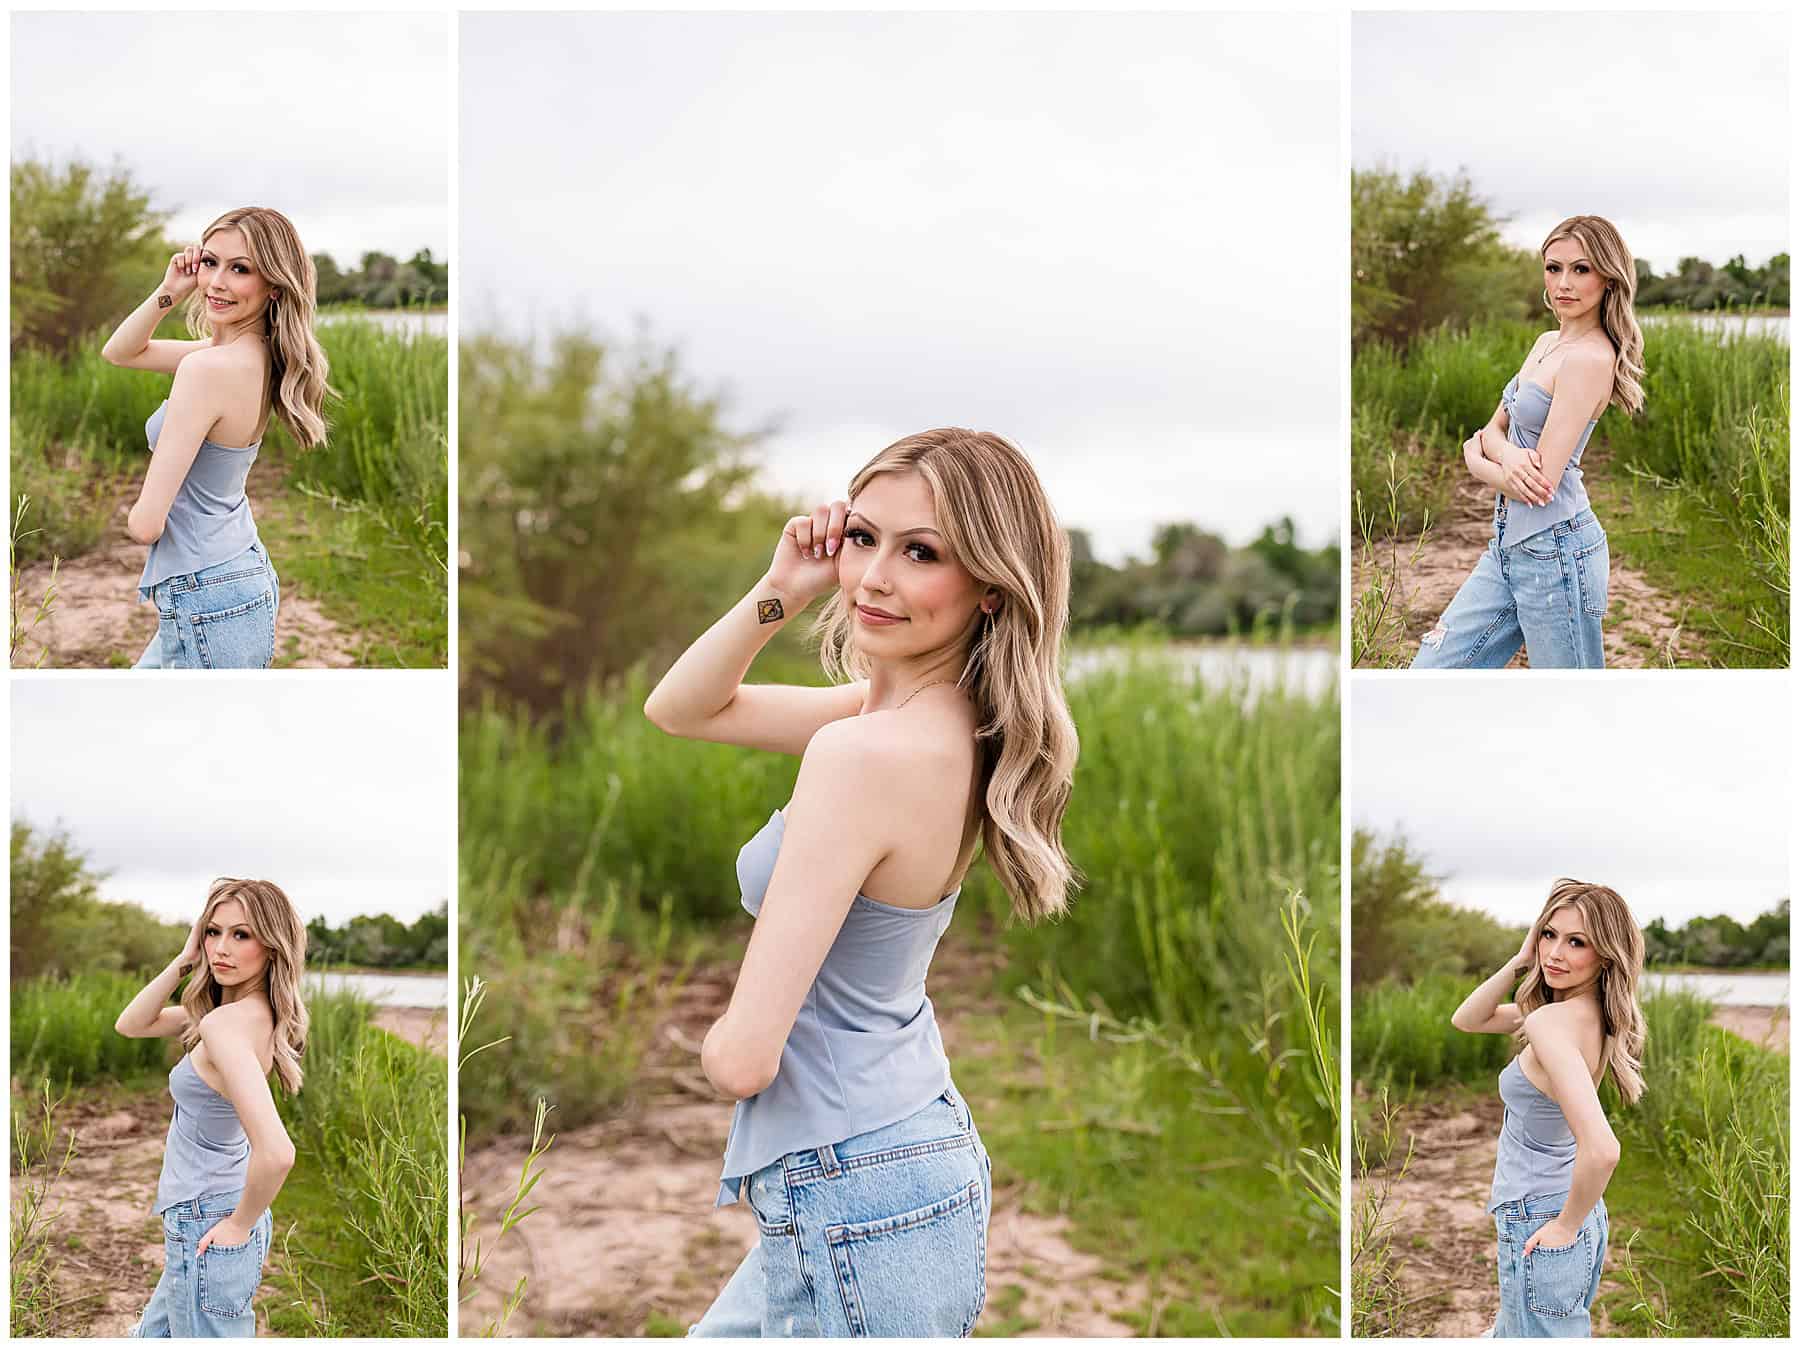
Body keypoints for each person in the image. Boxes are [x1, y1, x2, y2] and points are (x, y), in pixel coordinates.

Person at [645, 428, 1080, 1337]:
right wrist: (782, 590)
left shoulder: (864, 751)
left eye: (921, 552)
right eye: (862, 537)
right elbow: (680, 709)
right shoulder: (925, 717)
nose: (873, 577)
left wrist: (717, 1035)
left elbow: (742, 1060)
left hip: (852, 1178)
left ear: (992, 588)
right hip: (897, 1146)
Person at [101, 206, 334, 669]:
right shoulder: (252, 354)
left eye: (240, 269)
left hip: (207, 592)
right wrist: (169, 291)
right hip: (235, 573)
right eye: (210, 262)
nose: (216, 283)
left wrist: (138, 512)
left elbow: (146, 524)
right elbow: (120, 352)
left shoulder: (207, 369)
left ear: (273, 285)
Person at [1413, 215, 1647, 669]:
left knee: (1567, 705)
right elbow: (1492, 429)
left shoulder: (1589, 358)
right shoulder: (1545, 342)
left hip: (1556, 551)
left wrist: (1477, 460)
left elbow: (1537, 484)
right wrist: (1502, 453)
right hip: (1504, 546)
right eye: (1553, 267)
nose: (1564, 283)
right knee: (1431, 669)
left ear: (1609, 276)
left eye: (1581, 269)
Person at [1450, 880, 1648, 1337]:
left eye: (1576, 942)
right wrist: (1521, 962)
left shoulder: (1549, 1022)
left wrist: (1564, 1226)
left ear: (1605, 955)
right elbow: (1468, 1019)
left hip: (1543, 1217)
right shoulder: (1588, 1012)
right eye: (1548, 934)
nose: (1554, 953)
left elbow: (1602, 1148)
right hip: (1577, 1212)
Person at [115, 879, 310, 1337]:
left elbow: (279, 1152)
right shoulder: (244, 1014)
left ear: (273, 944)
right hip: (218, 1206)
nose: (221, 948)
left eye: (241, 935)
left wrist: (238, 1225)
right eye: (212, 932)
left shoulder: (225, 1025)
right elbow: (131, 1024)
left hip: (208, 1217)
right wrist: (184, 961)